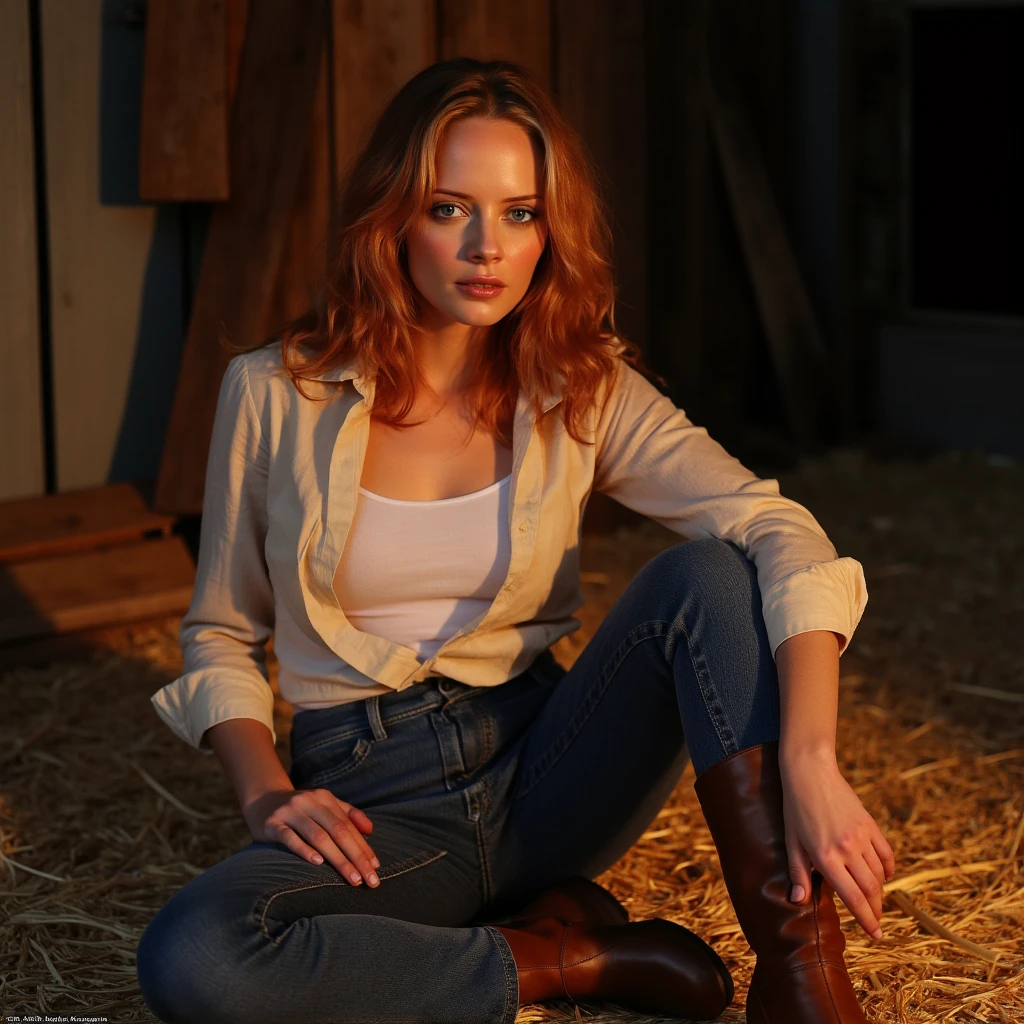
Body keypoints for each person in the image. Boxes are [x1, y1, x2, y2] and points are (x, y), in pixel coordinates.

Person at [136, 58, 894, 1024]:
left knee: (708, 573)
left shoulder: (582, 385)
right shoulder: (276, 392)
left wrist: (811, 757)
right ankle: (561, 960)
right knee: (196, 957)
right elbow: (220, 630)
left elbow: (775, 524)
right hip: (378, 806)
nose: (486, 247)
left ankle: (804, 984)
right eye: (451, 208)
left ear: (550, 230)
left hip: (550, 768)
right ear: (394, 216)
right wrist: (263, 793)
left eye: (521, 213)